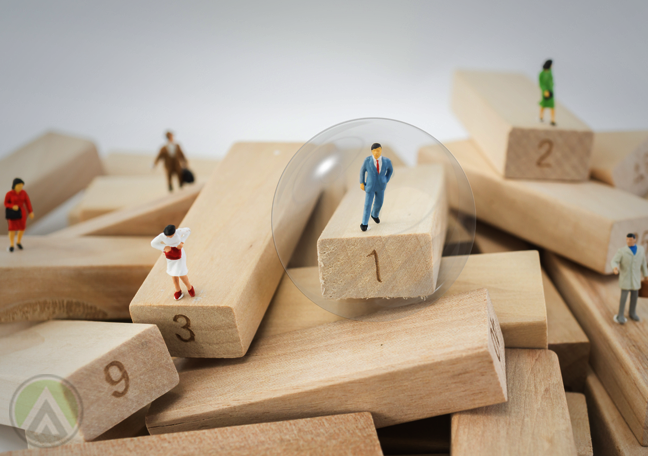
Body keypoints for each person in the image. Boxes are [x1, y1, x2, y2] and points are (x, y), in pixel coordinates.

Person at [151, 224, 195, 300]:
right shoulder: (162, 236)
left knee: (182, 273)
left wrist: (182, 242)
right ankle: (178, 290)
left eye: (171, 235)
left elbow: (188, 230)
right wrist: (163, 247)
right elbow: (153, 243)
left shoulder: (178, 232)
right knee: (173, 274)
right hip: (170, 255)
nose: (170, 237)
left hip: (179, 253)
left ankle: (189, 287)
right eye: (168, 236)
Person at [611, 233, 648, 324]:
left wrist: (646, 275)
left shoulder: (641, 250)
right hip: (625, 280)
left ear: (634, 240)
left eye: (630, 240)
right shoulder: (622, 251)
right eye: (627, 240)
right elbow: (614, 261)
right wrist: (615, 267)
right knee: (623, 298)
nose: (629, 241)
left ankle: (632, 313)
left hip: (635, 280)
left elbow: (643, 264)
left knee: (634, 298)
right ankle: (620, 315)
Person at [359, 143, 393, 232]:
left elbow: (390, 170)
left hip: (381, 186)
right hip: (370, 187)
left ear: (381, 150)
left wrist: (386, 178)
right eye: (374, 151)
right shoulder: (367, 161)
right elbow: (362, 171)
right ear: (371, 151)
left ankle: (374, 214)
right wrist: (361, 182)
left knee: (379, 203)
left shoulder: (386, 161)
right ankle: (364, 224)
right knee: (367, 205)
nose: (376, 153)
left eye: (378, 150)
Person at [4, 178, 34, 252]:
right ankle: (11, 244)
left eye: (21, 186)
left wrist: (30, 211)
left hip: (21, 212)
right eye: (19, 186)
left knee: (22, 228)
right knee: (12, 229)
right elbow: (5, 203)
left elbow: (27, 202)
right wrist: (12, 206)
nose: (20, 187)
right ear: (15, 185)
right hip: (12, 213)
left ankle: (18, 242)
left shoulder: (23, 193)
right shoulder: (9, 194)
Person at [538, 59, 556, 126]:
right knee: (543, 104)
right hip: (545, 91)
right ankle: (541, 117)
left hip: (551, 90)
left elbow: (551, 80)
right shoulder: (542, 73)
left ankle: (553, 120)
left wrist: (552, 86)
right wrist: (544, 90)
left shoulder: (550, 72)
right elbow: (541, 83)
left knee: (552, 106)